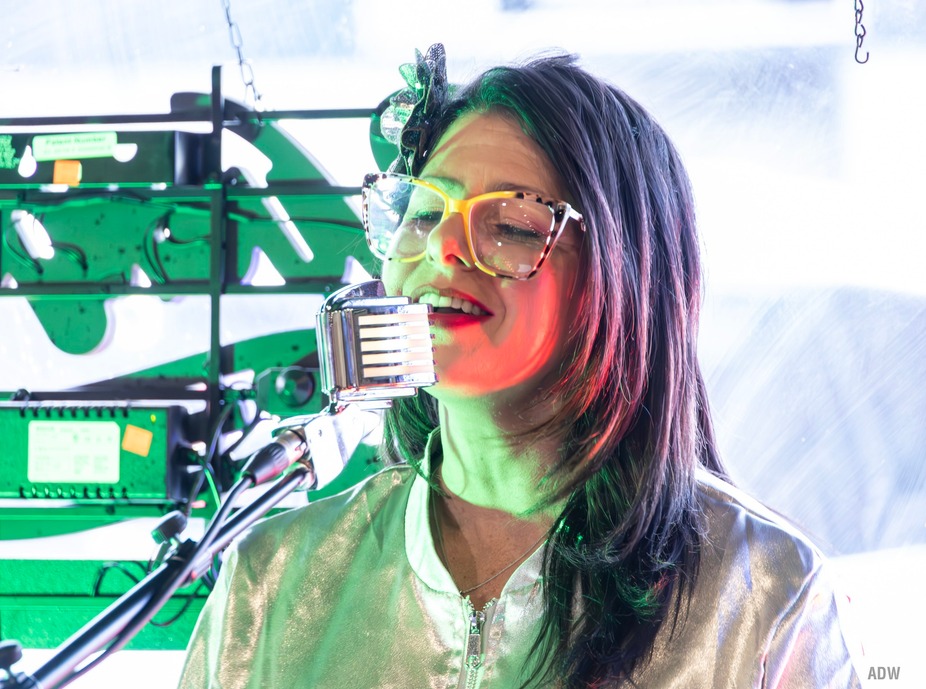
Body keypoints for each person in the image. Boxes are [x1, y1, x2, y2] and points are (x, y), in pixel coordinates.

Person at [177, 45, 861, 688]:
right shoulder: (271, 581)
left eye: (511, 226)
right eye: (422, 214)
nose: (442, 248)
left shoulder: (766, 592)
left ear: (627, 274)